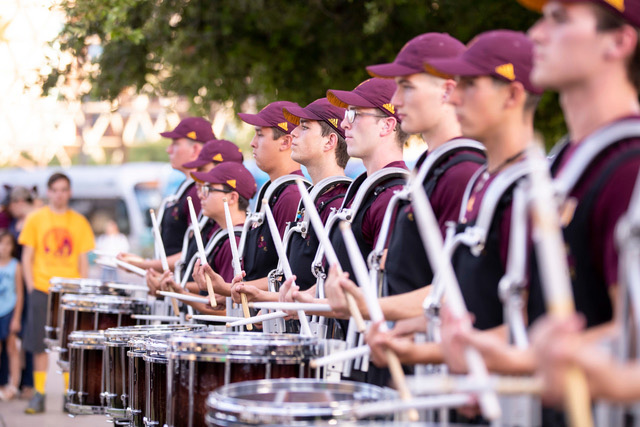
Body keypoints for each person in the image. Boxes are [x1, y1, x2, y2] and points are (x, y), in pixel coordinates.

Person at [325, 30, 542, 375]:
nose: (395, 99)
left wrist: (370, 306)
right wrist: (405, 328)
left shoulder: (467, 172)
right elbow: (453, 291)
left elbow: (525, 318)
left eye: (407, 86)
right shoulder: (450, 172)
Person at [230, 97, 350, 305]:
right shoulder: (312, 198)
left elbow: (332, 289)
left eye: (304, 127)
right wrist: (263, 298)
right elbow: (300, 286)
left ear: (330, 141)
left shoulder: (337, 202)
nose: (293, 132)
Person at [204, 101, 305, 299]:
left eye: (259, 134)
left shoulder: (292, 195)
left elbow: (287, 274)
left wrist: (226, 288)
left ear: (285, 142)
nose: (252, 142)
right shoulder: (275, 191)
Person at [19, 172, 95, 414]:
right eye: (55, 189)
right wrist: (32, 287)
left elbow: (84, 261)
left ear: (69, 192)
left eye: (64, 189)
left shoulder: (79, 222)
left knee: (69, 344)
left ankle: (68, 394)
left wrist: (83, 289)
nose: (60, 194)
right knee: (38, 344)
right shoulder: (35, 219)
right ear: (48, 192)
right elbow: (27, 256)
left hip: (71, 292)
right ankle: (39, 393)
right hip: (43, 288)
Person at [169, 162, 257, 315]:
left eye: (208, 189)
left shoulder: (235, 242)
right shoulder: (223, 237)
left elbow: (229, 311)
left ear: (232, 197)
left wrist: (181, 294)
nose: (201, 195)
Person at [0, 231, 23, 401]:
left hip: (9, 310)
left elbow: (20, 294)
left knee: (12, 348)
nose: (4, 248)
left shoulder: (16, 266)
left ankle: (14, 385)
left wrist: (16, 318)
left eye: (8, 244)